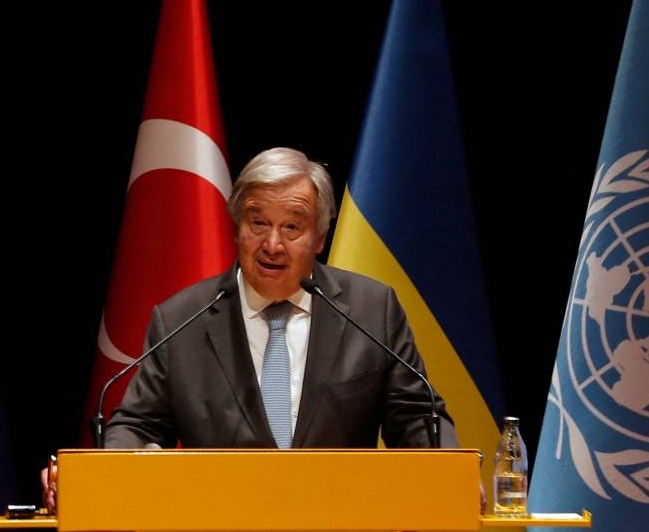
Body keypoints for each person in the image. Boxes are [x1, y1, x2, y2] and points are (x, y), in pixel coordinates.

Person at [43, 146, 465, 508]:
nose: (272, 245)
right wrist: (93, 475)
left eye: (292, 226)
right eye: (258, 222)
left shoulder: (372, 310)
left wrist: (451, 472)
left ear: (319, 238)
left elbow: (418, 418)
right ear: (237, 228)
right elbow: (136, 426)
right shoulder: (181, 320)